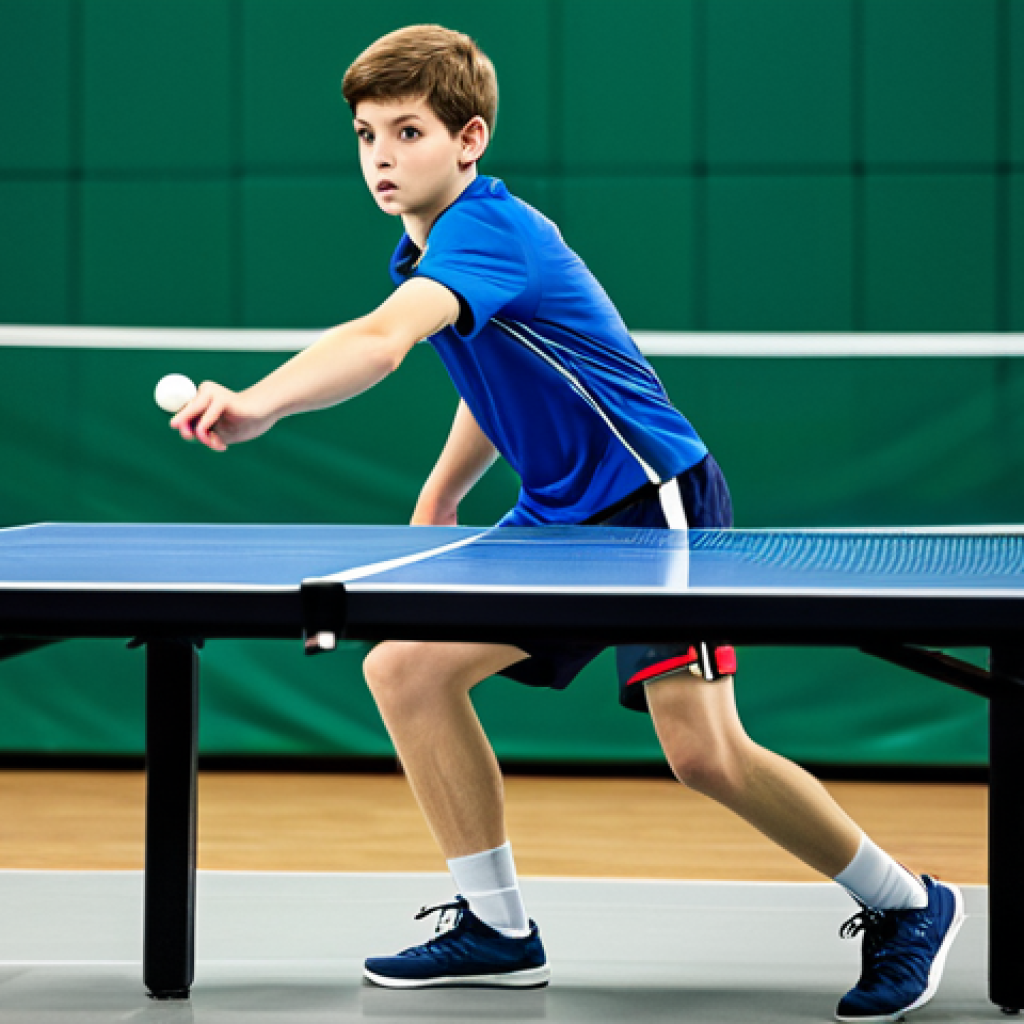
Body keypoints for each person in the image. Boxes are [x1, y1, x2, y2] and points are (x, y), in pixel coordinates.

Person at [171, 24, 963, 1021]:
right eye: (366, 134)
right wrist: (442, 491)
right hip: (557, 513)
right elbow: (488, 374)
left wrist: (258, 402)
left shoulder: (488, 230)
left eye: (406, 132)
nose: (379, 155)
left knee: (703, 751)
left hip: (648, 503)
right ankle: (497, 928)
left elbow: (383, 344)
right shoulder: (423, 246)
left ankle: (908, 902)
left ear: (467, 139)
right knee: (404, 668)